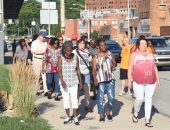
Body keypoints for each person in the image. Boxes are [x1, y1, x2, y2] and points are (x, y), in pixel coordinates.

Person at [128, 36, 160, 127]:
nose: (144, 46)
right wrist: (129, 80)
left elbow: (154, 67)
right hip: (138, 81)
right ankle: (135, 112)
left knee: (149, 99)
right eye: (142, 44)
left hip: (151, 81)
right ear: (138, 45)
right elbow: (130, 68)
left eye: (145, 44)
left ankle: (147, 120)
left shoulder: (150, 53)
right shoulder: (134, 54)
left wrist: (158, 79)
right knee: (140, 99)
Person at [58, 41, 83, 125]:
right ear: (64, 50)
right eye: (67, 50)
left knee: (74, 99)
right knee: (66, 99)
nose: (69, 52)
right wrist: (62, 81)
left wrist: (81, 82)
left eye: (70, 50)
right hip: (64, 82)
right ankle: (68, 116)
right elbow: (59, 70)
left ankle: (75, 117)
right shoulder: (61, 58)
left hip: (74, 81)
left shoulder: (76, 57)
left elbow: (78, 70)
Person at [93, 39, 117, 123]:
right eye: (102, 45)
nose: (104, 47)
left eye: (105, 45)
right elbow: (94, 69)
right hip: (100, 80)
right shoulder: (95, 56)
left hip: (110, 79)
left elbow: (115, 63)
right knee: (100, 98)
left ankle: (108, 111)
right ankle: (101, 114)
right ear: (98, 47)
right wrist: (94, 79)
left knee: (111, 97)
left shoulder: (110, 54)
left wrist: (113, 65)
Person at [73, 39, 93, 113]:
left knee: (87, 88)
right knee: (77, 90)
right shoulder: (74, 52)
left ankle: (87, 105)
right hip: (78, 73)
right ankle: (76, 106)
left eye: (83, 43)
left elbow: (90, 60)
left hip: (86, 72)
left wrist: (90, 59)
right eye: (81, 43)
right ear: (77, 44)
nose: (82, 45)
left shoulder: (87, 51)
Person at [31, 31, 48, 96]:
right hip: (37, 60)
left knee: (44, 75)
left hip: (44, 60)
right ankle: (37, 90)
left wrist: (43, 52)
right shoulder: (34, 43)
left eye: (44, 37)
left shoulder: (45, 43)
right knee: (37, 75)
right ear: (39, 36)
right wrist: (44, 51)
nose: (44, 38)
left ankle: (46, 90)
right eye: (43, 37)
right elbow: (35, 52)